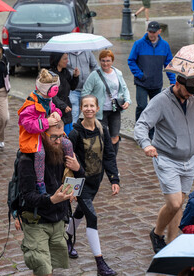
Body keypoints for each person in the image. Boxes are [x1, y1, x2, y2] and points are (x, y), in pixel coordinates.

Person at [134, 75, 194, 253]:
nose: (190, 94)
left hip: (189, 160)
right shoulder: (160, 101)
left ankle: (171, 243)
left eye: (193, 91)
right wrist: (146, 144)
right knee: (174, 203)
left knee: (180, 203)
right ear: (177, 84)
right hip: (166, 158)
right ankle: (157, 234)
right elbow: (141, 125)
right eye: (188, 90)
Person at [17, 121, 85, 276]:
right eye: (54, 137)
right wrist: (51, 200)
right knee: (44, 269)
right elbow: (27, 196)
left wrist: (78, 169)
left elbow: (80, 178)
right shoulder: (27, 159)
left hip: (58, 220)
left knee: (50, 268)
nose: (58, 141)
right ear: (42, 134)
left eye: (61, 136)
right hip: (36, 221)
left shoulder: (63, 150)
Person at [66, 95, 119, 276]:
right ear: (81, 108)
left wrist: (114, 179)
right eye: (85, 106)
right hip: (80, 184)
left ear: (97, 108)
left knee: (80, 212)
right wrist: (70, 189)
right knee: (92, 217)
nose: (88, 109)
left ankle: (67, 238)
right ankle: (100, 263)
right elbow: (67, 164)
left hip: (95, 181)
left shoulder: (102, 129)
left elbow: (109, 156)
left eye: (92, 106)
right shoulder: (75, 133)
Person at [18, 68, 73, 193]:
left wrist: (56, 113)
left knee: (68, 144)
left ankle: (69, 172)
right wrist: (46, 122)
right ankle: (40, 183)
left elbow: (54, 109)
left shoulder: (48, 100)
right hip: (34, 137)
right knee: (40, 154)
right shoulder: (30, 105)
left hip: (49, 134)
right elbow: (28, 125)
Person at [82, 49, 131, 156]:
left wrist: (127, 100)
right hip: (100, 112)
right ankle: (102, 160)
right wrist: (90, 105)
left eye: (108, 61)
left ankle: (112, 162)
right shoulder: (94, 75)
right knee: (101, 137)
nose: (105, 63)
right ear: (100, 61)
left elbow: (124, 88)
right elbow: (85, 92)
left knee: (115, 136)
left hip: (115, 110)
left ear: (112, 61)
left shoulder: (118, 73)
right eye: (103, 61)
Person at [128, 21, 175, 123]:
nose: (151, 34)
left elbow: (169, 64)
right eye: (149, 31)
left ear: (159, 31)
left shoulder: (165, 45)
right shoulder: (138, 44)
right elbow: (131, 61)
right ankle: (139, 129)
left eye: (154, 32)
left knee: (155, 108)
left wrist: (173, 80)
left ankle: (152, 132)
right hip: (142, 82)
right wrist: (139, 74)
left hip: (156, 83)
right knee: (142, 106)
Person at [49, 52, 79, 135]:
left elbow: (72, 87)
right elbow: (51, 95)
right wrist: (63, 105)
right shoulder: (51, 75)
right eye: (65, 59)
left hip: (67, 108)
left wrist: (75, 77)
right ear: (58, 60)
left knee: (69, 134)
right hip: (57, 109)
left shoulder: (66, 72)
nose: (67, 61)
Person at [67, 50, 98, 124]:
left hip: (87, 90)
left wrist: (94, 78)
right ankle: (72, 132)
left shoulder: (87, 51)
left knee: (88, 112)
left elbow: (95, 66)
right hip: (73, 89)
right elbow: (64, 70)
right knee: (74, 112)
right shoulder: (67, 53)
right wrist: (73, 74)